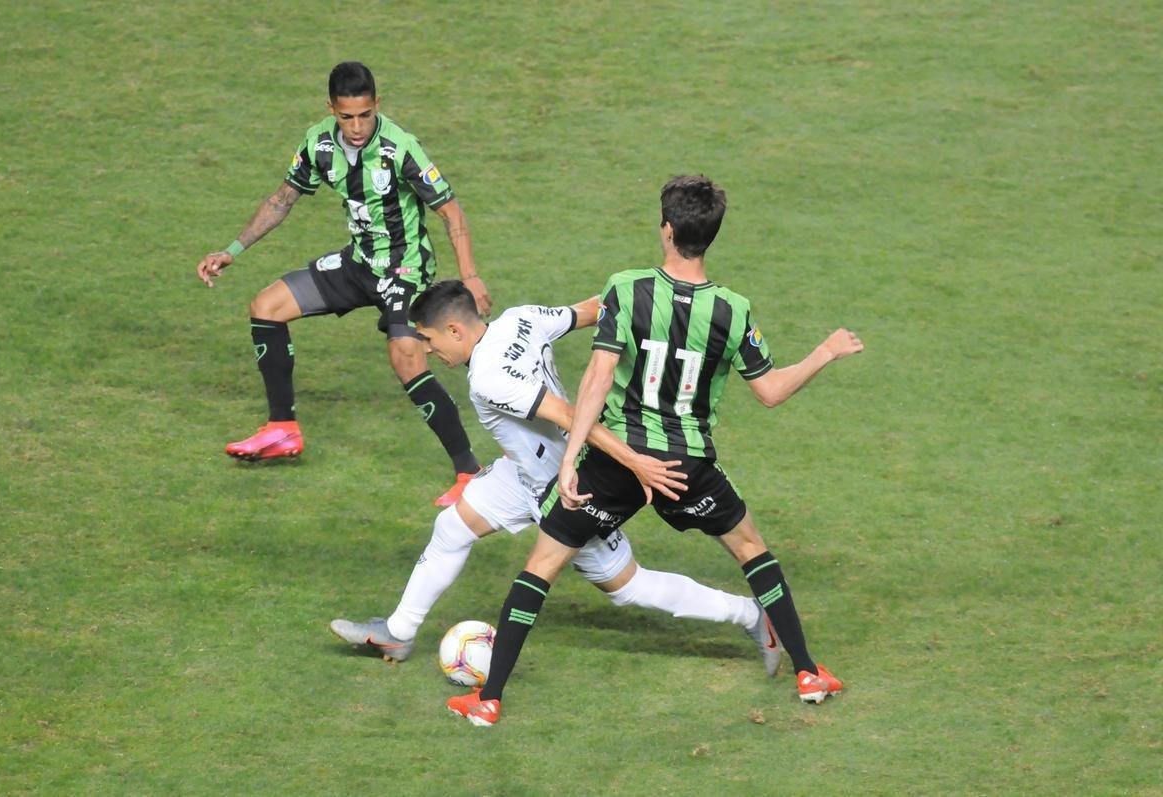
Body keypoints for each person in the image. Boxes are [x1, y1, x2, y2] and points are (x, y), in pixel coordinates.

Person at [448, 175, 864, 726]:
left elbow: (597, 378)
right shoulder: (733, 311)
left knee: (542, 567)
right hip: (686, 465)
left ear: (667, 230)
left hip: (618, 459)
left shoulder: (627, 288)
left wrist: (571, 459)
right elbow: (770, 391)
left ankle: (489, 700)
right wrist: (824, 352)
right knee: (750, 550)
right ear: (709, 236)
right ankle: (808, 671)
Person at [328, 281, 783, 678]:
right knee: (451, 527)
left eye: (428, 338)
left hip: (566, 484)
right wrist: (652, 303)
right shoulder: (519, 319)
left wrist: (635, 462)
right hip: (522, 472)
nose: (426, 350)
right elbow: (591, 309)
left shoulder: (488, 377)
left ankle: (751, 616)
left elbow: (568, 415)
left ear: (454, 330)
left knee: (627, 586)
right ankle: (398, 632)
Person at [195, 61, 489, 506]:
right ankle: (282, 429)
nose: (356, 127)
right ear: (331, 108)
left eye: (365, 115)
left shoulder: (400, 148)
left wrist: (469, 276)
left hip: (403, 270)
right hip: (358, 264)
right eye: (346, 116)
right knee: (266, 306)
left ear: (377, 106)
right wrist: (231, 251)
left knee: (405, 357)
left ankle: (469, 472)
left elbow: (451, 212)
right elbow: (281, 200)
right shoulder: (318, 142)